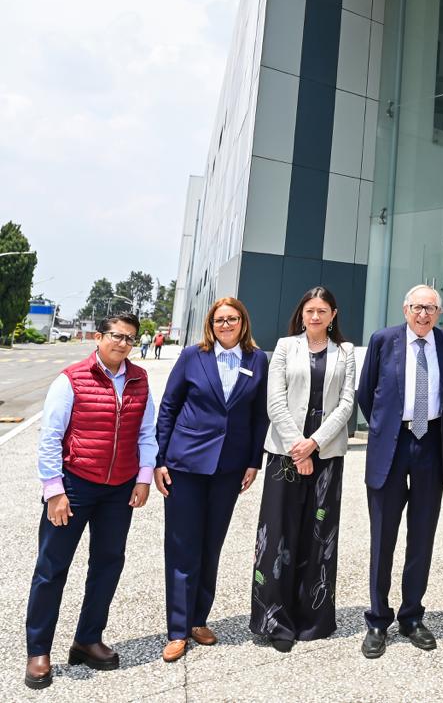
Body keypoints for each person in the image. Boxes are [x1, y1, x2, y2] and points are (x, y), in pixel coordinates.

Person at [24, 313, 156, 690]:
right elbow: (51, 436)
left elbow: (147, 432)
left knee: (108, 564)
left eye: (130, 339)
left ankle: (87, 640)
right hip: (75, 487)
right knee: (52, 568)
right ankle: (38, 650)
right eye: (116, 336)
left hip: (119, 489)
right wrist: (54, 491)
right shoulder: (71, 379)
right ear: (99, 337)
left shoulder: (139, 379)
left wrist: (143, 477)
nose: (123, 344)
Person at [154, 298, 269, 662]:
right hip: (185, 464)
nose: (225, 325)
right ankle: (177, 630)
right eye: (219, 319)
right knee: (182, 546)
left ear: (243, 322)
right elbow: (169, 407)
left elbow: (259, 416)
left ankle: (198, 619)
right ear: (211, 324)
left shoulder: (257, 360)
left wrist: (253, 462)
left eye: (232, 318)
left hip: (229, 468)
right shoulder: (193, 356)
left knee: (211, 545)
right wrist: (159, 460)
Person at [357, 285, 443, 658]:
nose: (423, 315)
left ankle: (412, 616)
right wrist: (385, 427)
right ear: (405, 309)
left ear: (439, 313)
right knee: (383, 537)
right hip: (392, 444)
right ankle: (377, 620)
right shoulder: (383, 340)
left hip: (430, 444)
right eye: (418, 307)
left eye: (431, 309)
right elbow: (366, 393)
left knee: (422, 536)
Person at [249, 287, 356, 652]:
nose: (315, 316)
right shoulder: (285, 347)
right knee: (278, 534)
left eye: (322, 310)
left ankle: (313, 619)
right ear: (302, 313)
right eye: (310, 310)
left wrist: (314, 444)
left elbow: (346, 404)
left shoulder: (345, 352)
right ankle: (275, 621)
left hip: (326, 454)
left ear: (333, 315)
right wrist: (299, 446)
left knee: (319, 535)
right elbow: (275, 401)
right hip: (285, 454)